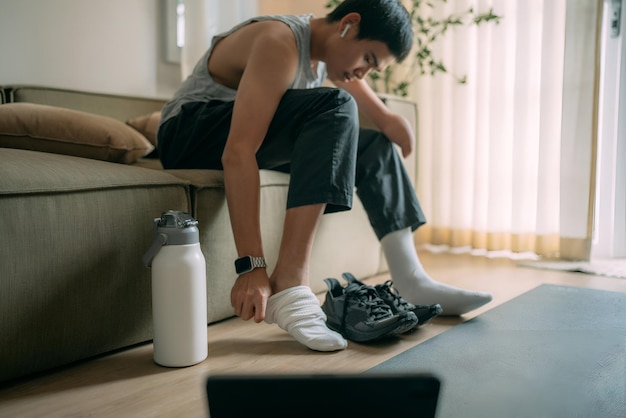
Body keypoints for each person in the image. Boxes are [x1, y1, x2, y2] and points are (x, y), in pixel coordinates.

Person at [157, 0, 492, 352]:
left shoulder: (323, 54)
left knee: (374, 145)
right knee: (336, 105)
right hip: (187, 133)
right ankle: (289, 282)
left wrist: (388, 120)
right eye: (369, 59)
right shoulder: (279, 41)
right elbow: (238, 152)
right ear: (348, 24)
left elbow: (350, 80)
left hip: (228, 129)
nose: (364, 72)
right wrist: (251, 266)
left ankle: (409, 277)